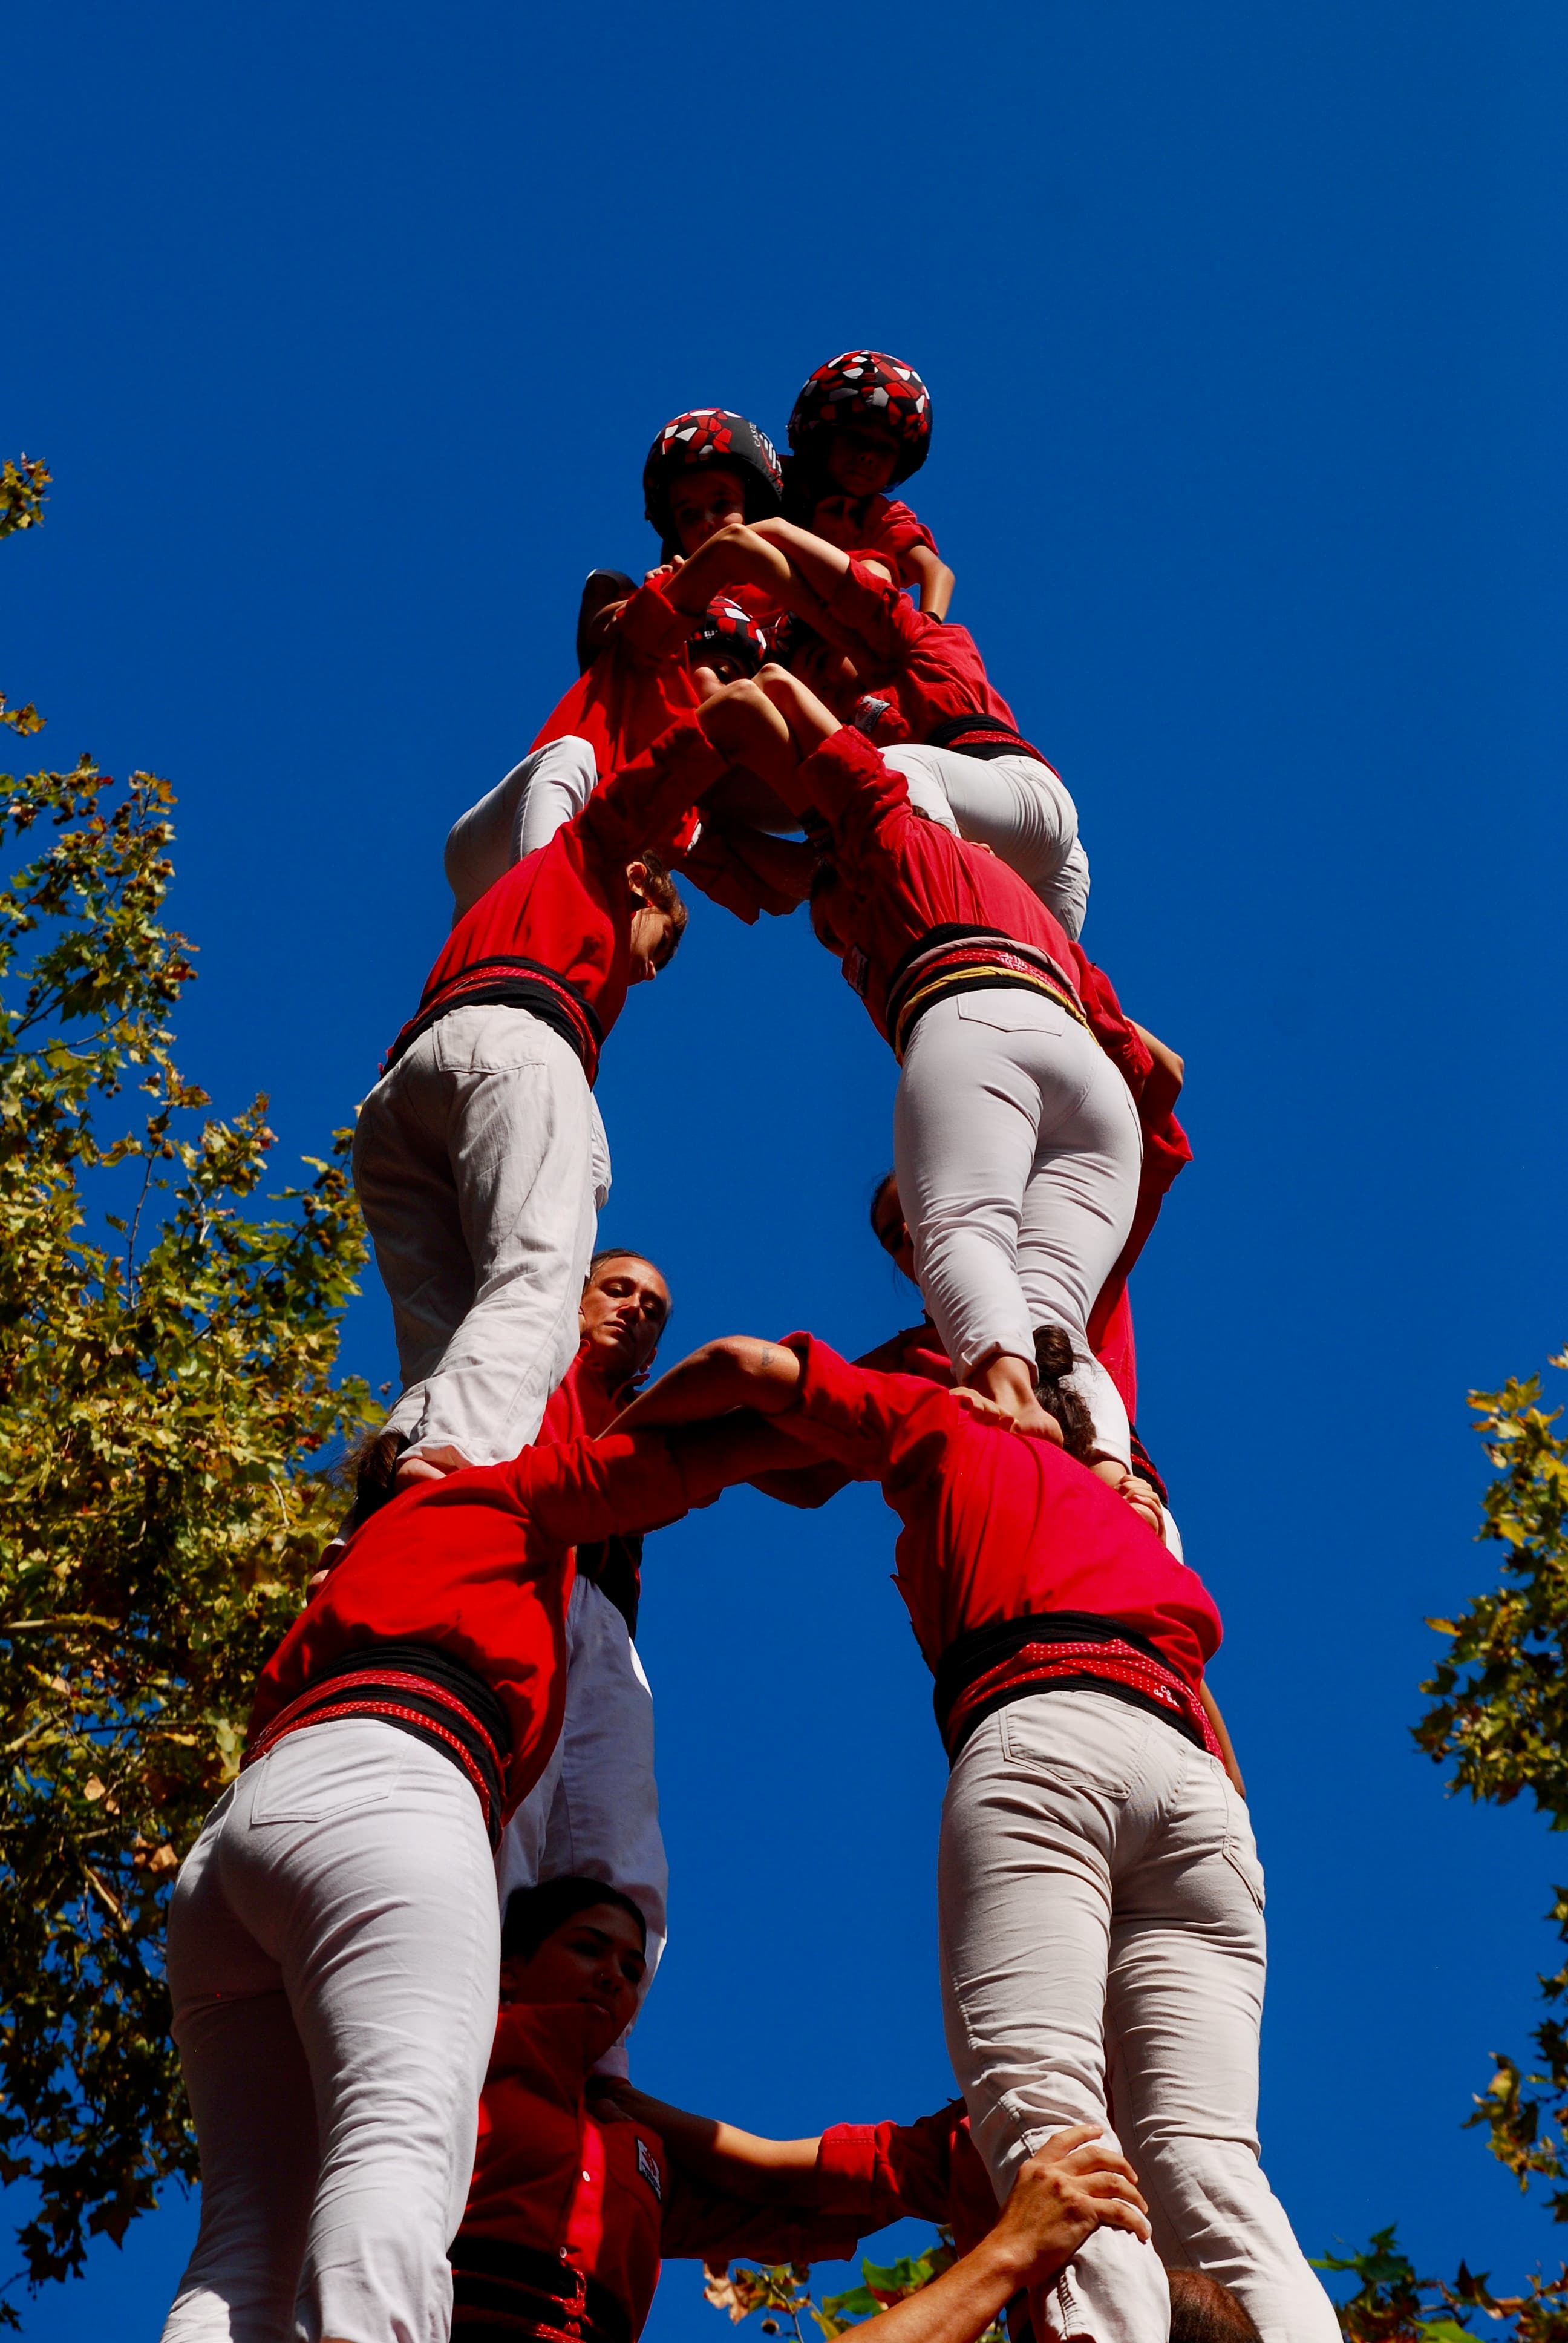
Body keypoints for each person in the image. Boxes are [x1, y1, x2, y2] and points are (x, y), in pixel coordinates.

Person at [612, 1335, 1339, 2343]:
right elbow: (1226, 1759)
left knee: (1051, 2121)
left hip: (1043, 1730)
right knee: (1208, 2158)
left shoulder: (947, 1418)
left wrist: (610, 1455)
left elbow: (744, 1365)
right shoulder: (1131, 1514)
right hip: (1200, 1793)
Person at [157, 1392, 797, 2343]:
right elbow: (659, 1470)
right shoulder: (501, 1498)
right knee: (400, 2146)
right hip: (395, 1787)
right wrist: (831, 1425)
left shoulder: (357, 1558)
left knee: (250, 2236)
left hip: (237, 1844)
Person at [350, 683, 785, 1509]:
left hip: (403, 1089)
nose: (649, 970)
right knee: (542, 1281)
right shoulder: (592, 859)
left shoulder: (501, 901)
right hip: (519, 1047)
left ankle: (388, 1501)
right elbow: (632, 779)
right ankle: (465, 1471)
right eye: (660, 943)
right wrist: (725, 724)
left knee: (443, 1340)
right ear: (641, 888)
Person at [451, 1875, 1152, 2343]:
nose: (614, 1973)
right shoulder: (455, 2059)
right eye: (586, 1947)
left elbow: (796, 2197)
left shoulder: (639, 2154)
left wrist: (971, 2141)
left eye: (634, 1968)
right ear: (508, 1964)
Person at [739, 670, 1153, 1460]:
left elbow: (792, 719)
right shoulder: (1004, 886)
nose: (839, 947)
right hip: (1091, 1081)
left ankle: (1008, 1396)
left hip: (971, 1018)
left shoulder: (889, 829)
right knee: (1054, 1306)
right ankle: (1106, 1463)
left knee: (963, 1228)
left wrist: (747, 688)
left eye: (832, 926)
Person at [499, 1248, 676, 2068]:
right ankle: (478, 2006)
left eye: (654, 1309)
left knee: (618, 1837)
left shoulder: (654, 1415)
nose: (636, 1308)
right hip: (522, 1566)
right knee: (511, 1800)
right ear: (572, 1299)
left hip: (604, 1616)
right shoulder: (520, 1358)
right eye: (618, 1290)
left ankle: (600, 2064)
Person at [780, 349, 955, 618]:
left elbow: (937, 572)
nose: (868, 457)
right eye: (856, 439)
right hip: (743, 629)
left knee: (876, 573)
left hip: (831, 637)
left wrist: (926, 630)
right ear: (822, 438)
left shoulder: (878, 517)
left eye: (885, 449)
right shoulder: (770, 479)